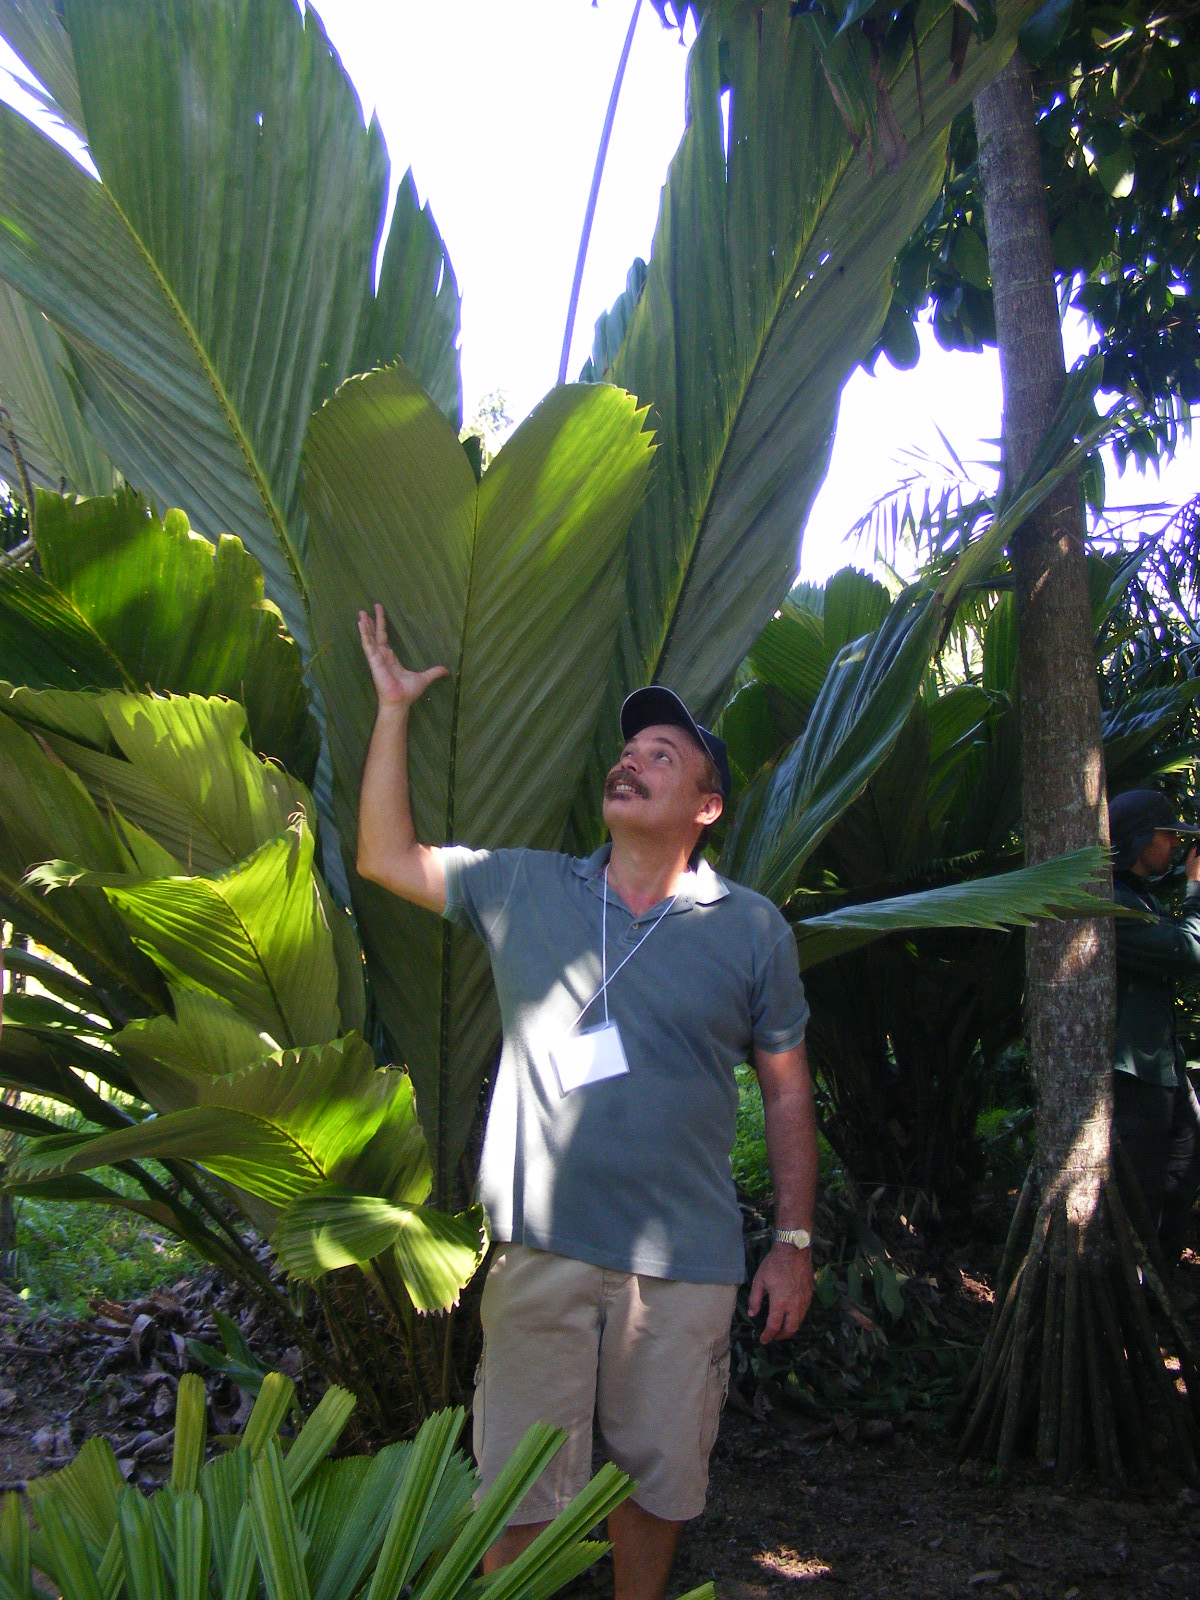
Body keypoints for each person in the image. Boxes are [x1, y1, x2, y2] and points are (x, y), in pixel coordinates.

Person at [355, 603, 817, 1600]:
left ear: (706, 807)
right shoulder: (525, 888)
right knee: (516, 1493)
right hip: (542, 1253)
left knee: (658, 1485)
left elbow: (786, 1092)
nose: (631, 763)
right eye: (628, 751)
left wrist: (794, 1240)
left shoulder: (752, 930)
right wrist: (392, 712)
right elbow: (385, 859)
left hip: (682, 1266)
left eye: (662, 756)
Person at [1108, 788, 1200, 1269]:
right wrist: (1196, 890)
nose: (1175, 844)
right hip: (1136, 1077)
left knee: (1183, 1168)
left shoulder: (1139, 896)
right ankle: (1136, 1295)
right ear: (1142, 840)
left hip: (1162, 1067)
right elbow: (1189, 952)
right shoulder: (1114, 904)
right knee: (1140, 1193)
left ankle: (1160, 1278)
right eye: (1168, 835)